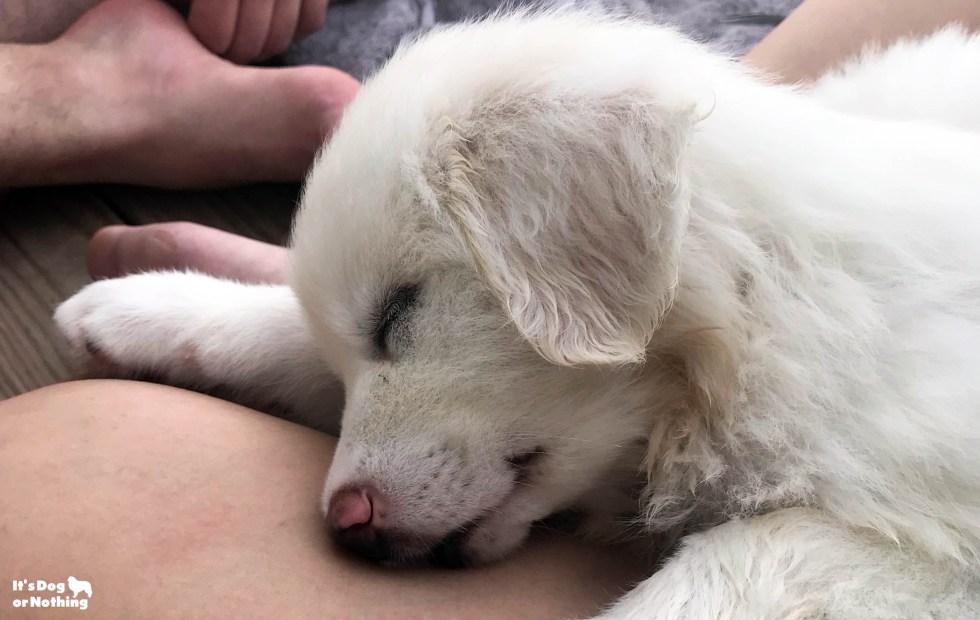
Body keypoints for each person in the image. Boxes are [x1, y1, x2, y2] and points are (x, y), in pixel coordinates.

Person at [2, 0, 980, 617]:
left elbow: (930, 555)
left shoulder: (893, 380)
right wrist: (311, 340)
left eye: (394, 325)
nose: (348, 495)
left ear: (573, 230)